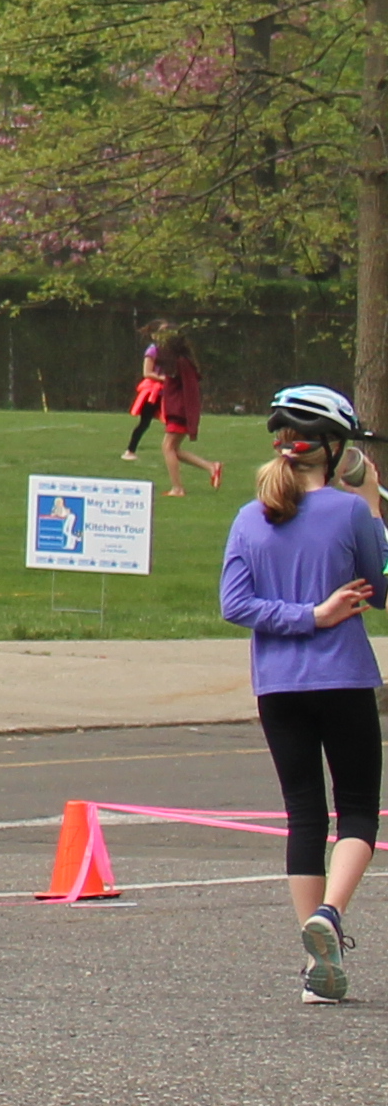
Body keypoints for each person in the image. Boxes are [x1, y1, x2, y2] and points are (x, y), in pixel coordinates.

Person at [220, 386, 384, 1004]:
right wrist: (371, 498)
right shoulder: (348, 513)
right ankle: (332, 917)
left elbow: (235, 605)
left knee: (304, 815)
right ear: (333, 448)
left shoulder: (247, 516)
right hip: (341, 677)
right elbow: (385, 582)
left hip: (278, 687)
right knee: (359, 808)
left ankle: (316, 964)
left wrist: (301, 615)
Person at [126, 327, 227, 492]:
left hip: (179, 411)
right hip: (177, 410)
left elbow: (189, 390)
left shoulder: (181, 363)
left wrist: (188, 414)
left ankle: (177, 488)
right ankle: (211, 467)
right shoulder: (178, 362)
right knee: (174, 449)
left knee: (167, 448)